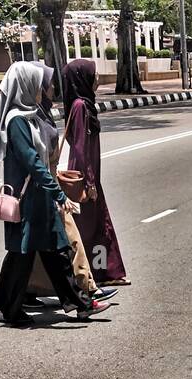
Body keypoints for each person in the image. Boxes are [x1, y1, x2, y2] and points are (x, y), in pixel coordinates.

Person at [0, 61, 96, 328]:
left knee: (52, 249)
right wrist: (59, 195)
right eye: (39, 84)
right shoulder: (16, 122)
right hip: (29, 203)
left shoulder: (29, 116)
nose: (43, 89)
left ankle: (79, 303)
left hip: (40, 200)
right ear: (26, 86)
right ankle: (74, 303)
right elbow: (32, 163)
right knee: (25, 255)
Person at [24, 64, 115, 311]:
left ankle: (31, 290)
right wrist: (88, 181)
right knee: (71, 241)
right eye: (48, 84)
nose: (53, 88)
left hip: (51, 188)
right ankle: (87, 291)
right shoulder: (24, 120)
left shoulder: (40, 114)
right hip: (47, 191)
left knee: (43, 249)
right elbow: (75, 150)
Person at [61, 59, 129, 287]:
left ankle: (105, 273)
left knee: (99, 226)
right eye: (94, 74)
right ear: (83, 78)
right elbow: (80, 148)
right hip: (85, 177)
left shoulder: (83, 104)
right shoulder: (80, 107)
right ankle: (85, 277)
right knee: (88, 230)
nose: (97, 78)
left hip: (91, 176)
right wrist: (89, 183)